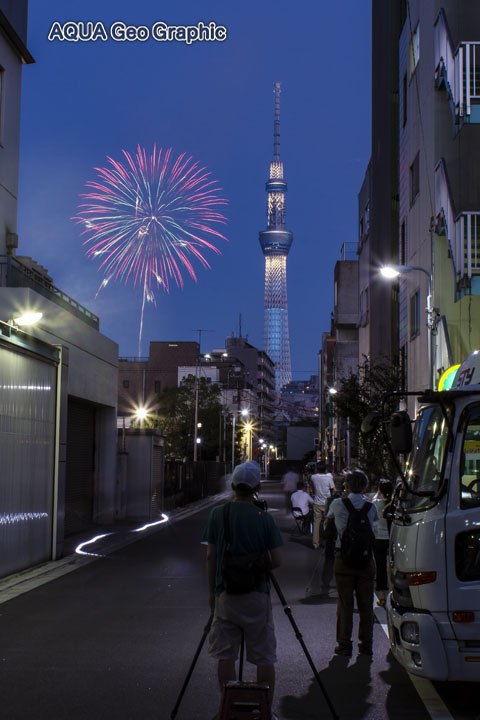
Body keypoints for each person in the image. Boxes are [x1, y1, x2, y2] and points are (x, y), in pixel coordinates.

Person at [203, 461, 283, 720]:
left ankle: (224, 708)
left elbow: (210, 556)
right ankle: (265, 710)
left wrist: (212, 593)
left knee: (225, 654)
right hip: (257, 593)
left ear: (233, 486)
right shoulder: (264, 518)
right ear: (257, 487)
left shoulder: (218, 514)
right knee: (264, 656)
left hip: (226, 593)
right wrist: (257, 564)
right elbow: (277, 560)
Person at [327, 469, 378, 657]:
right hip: (366, 560)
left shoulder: (338, 504)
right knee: (366, 604)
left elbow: (328, 525)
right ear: (364, 486)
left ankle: (344, 644)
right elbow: (374, 529)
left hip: (344, 558)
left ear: (346, 485)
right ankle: (366, 645)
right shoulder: (371, 507)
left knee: (345, 603)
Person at [372, 478, 394, 607]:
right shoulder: (394, 504)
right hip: (392, 539)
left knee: (380, 568)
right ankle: (393, 595)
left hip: (378, 538)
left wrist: (378, 493)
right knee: (393, 566)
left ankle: (382, 597)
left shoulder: (375, 503)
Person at [310, 462, 335, 549]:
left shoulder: (313, 477)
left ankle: (315, 543)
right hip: (327, 503)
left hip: (317, 502)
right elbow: (333, 489)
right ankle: (327, 543)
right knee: (328, 523)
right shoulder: (328, 478)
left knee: (316, 523)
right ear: (325, 469)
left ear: (317, 469)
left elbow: (312, 487)